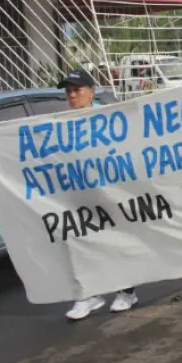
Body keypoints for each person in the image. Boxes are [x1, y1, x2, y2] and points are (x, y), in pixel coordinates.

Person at [59, 69, 139, 321]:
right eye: (68, 91)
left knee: (117, 242)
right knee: (80, 243)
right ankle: (88, 295)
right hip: (78, 196)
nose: (72, 95)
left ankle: (127, 292)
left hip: (110, 193)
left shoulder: (107, 119)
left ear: (91, 92)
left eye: (77, 90)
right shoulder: (60, 124)